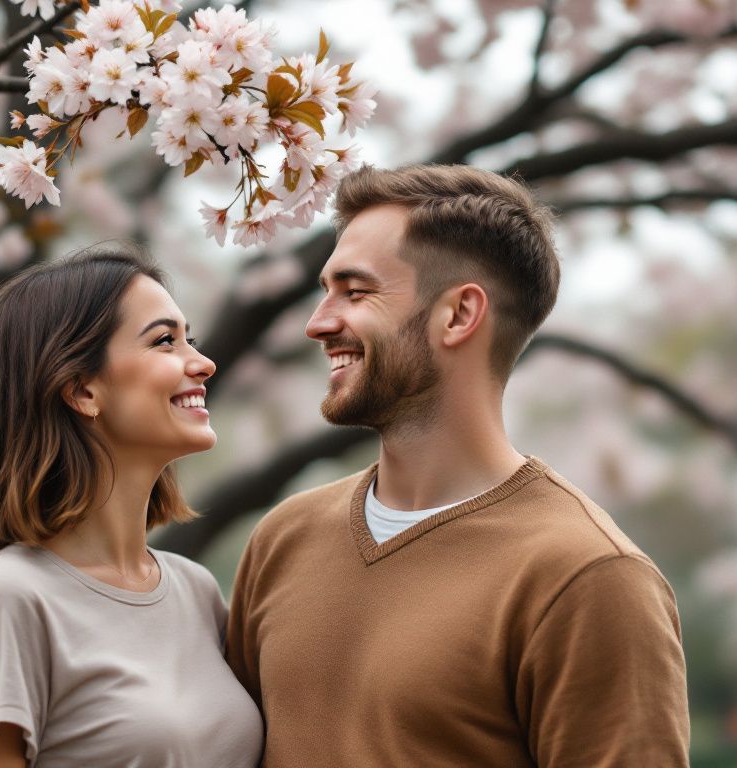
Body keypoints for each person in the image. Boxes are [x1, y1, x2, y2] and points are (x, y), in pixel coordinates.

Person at [226, 165, 690, 767]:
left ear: (459, 315)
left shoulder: (588, 576)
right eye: (324, 290)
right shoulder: (283, 539)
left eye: (356, 291)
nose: (318, 322)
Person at [0, 246, 263, 768]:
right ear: (82, 389)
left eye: (189, 338)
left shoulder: (195, 591)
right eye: (164, 341)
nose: (202, 362)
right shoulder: (9, 601)